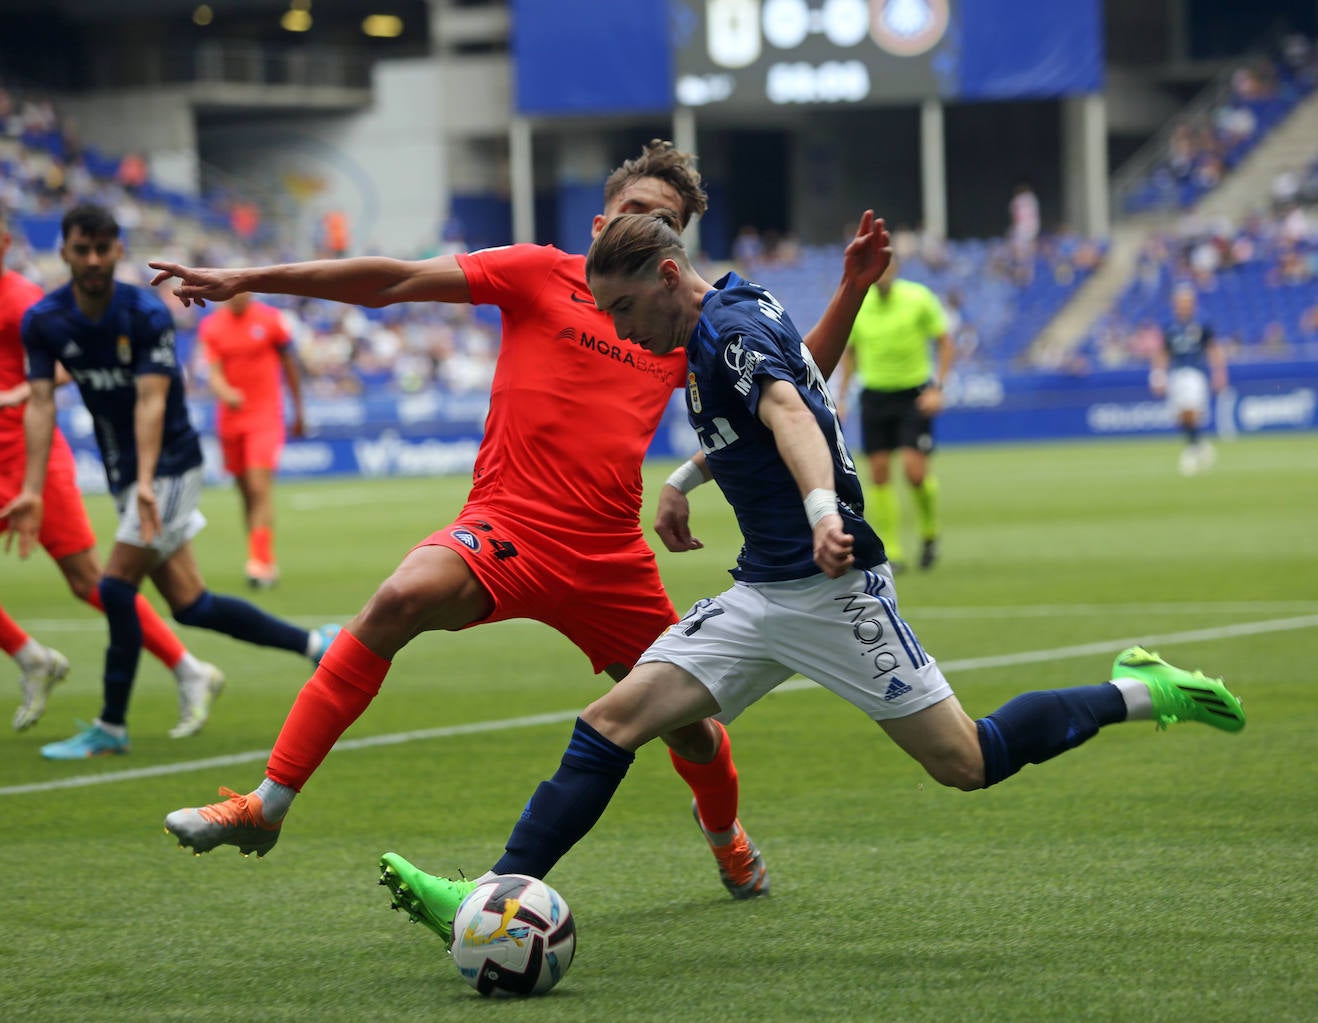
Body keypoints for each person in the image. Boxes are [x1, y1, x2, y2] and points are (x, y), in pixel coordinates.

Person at [373, 209, 1246, 946]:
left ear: (671, 276)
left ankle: (1139, 690)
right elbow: (796, 391)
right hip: (762, 594)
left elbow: (791, 413)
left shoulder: (728, 330)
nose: (620, 328)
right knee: (611, 722)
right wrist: (682, 481)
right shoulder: (735, 307)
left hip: (836, 594)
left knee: (968, 761)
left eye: (627, 306)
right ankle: (493, 889)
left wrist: (825, 509)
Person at [155, 141, 890, 903]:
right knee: (397, 599)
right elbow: (394, 280)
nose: (646, 227)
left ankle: (726, 839)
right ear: (604, 218)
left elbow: (789, 377)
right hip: (507, 529)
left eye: (665, 221)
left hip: (609, 557)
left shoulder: (674, 319)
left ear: (675, 249)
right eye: (636, 211)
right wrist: (250, 278)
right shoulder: (536, 272)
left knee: (692, 729)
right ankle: (264, 805)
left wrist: (851, 290)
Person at [0, 203, 339, 760]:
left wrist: (149, 480)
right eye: (81, 249)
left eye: (102, 248)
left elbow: (153, 400)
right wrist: (33, 489)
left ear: (117, 252)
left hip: (172, 464)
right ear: (62, 251)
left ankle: (111, 726)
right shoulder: (44, 321)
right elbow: (40, 404)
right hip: (123, 471)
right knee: (190, 604)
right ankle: (314, 643)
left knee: (114, 587)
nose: (91, 260)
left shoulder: (144, 313)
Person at [0, 199, 223, 737]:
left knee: (97, 584)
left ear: (7, 244)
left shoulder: (24, 298)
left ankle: (187, 671)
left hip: (37, 470)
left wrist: (23, 391)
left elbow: (84, 357)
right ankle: (32, 658)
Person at [836, 253, 953, 571]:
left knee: (915, 473)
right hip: (874, 397)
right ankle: (894, 551)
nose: (883, 273)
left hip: (912, 396)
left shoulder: (918, 298)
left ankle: (930, 534)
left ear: (897, 269)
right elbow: (851, 354)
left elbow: (944, 342)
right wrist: (842, 398)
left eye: (888, 267)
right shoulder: (860, 304)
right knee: (879, 474)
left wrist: (937, 388)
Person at [194, 291, 306, 588]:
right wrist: (225, 392)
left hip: (265, 416)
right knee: (245, 493)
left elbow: (290, 366)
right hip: (230, 420)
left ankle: (261, 562)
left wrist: (299, 410)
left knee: (259, 487)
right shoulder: (212, 326)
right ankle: (259, 556)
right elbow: (213, 372)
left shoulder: (271, 321)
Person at [1151, 282, 1227, 476]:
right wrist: (1158, 375)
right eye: (1180, 301)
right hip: (1176, 372)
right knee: (1180, 417)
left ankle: (1191, 452)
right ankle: (1199, 445)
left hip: (1195, 371)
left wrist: (1219, 372)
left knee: (1191, 410)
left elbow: (1213, 348)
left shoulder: (1202, 321)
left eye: (1186, 301)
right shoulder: (1169, 324)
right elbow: (1163, 352)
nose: (1183, 305)